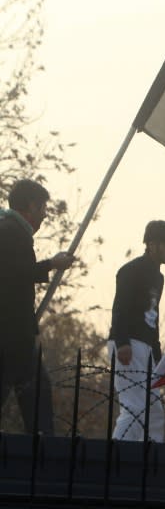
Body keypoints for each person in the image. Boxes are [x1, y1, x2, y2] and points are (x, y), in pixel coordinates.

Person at [0, 179, 75, 435]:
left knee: (37, 393)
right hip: (10, 334)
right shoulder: (10, 231)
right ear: (31, 206)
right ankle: (43, 452)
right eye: (43, 208)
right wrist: (51, 264)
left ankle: (42, 446)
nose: (44, 215)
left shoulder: (11, 230)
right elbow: (14, 272)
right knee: (35, 394)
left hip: (15, 334)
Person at [108, 220, 165, 442]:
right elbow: (120, 307)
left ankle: (150, 462)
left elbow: (153, 316)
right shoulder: (131, 271)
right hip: (129, 343)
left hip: (145, 346)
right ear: (152, 244)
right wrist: (122, 342)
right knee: (134, 407)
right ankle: (117, 456)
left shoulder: (158, 277)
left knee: (153, 412)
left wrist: (157, 354)